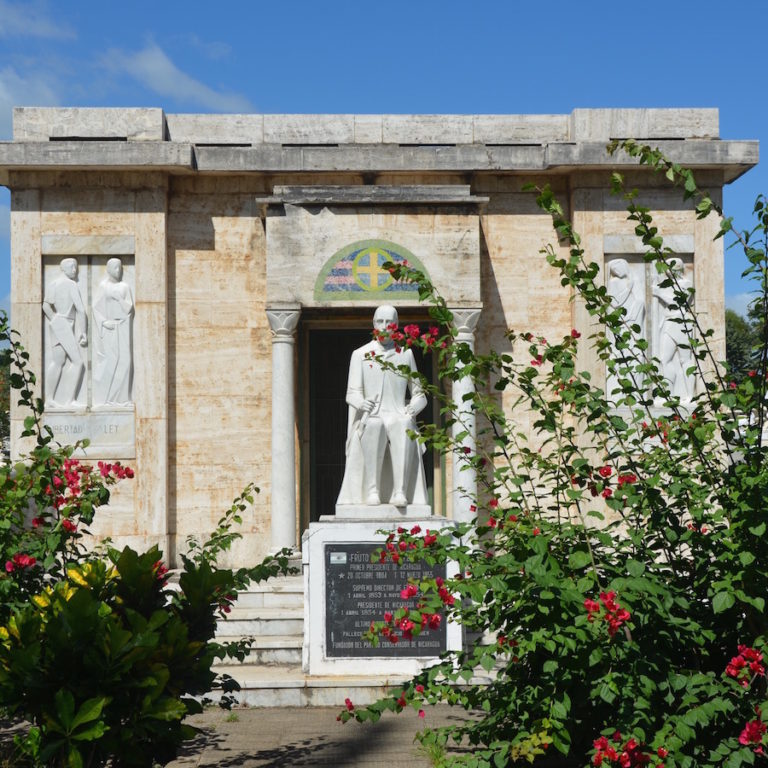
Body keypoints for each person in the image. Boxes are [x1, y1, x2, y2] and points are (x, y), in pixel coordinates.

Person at [337, 305, 428, 508]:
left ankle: (400, 491)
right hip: (373, 414)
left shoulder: (405, 354)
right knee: (374, 425)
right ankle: (372, 490)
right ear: (374, 323)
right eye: (380, 321)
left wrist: (412, 408)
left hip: (397, 412)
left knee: (403, 425)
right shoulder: (361, 354)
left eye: (389, 322)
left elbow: (419, 393)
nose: (384, 326)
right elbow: (352, 393)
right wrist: (362, 402)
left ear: (396, 325)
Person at [42, 258, 87, 406]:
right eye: (72, 267)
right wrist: (84, 332)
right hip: (64, 323)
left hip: (56, 323)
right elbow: (81, 310)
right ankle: (70, 400)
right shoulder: (71, 284)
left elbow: (46, 306)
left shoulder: (53, 283)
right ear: (64, 268)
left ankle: (49, 400)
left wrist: (54, 319)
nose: (75, 270)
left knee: (58, 361)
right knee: (78, 362)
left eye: (76, 268)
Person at [93, 258, 134, 405]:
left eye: (120, 267)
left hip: (123, 325)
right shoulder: (103, 286)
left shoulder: (125, 287)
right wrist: (104, 322)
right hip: (109, 327)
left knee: (126, 361)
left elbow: (129, 308)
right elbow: (95, 308)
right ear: (109, 269)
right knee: (110, 361)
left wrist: (119, 299)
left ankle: (121, 399)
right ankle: (103, 398)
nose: (119, 270)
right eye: (116, 268)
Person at [652, 258, 694, 401]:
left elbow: (678, 302)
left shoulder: (687, 284)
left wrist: (658, 292)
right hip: (668, 323)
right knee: (665, 359)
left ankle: (690, 395)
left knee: (685, 360)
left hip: (682, 323)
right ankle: (668, 394)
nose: (666, 272)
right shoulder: (665, 285)